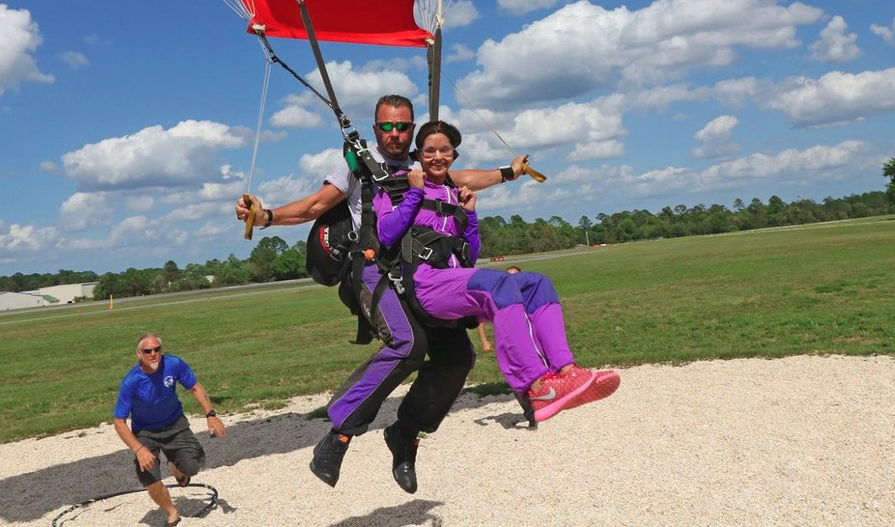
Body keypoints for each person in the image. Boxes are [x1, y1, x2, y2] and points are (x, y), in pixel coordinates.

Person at [234, 93, 527, 494]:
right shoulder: (358, 166)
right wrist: (264, 216)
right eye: (386, 126)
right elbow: (314, 206)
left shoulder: (420, 164)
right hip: (374, 273)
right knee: (408, 344)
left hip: (418, 274)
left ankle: (405, 433)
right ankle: (339, 435)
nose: (394, 133)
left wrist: (508, 173)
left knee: (457, 354)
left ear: (411, 129)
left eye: (402, 126)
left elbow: (465, 177)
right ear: (375, 129)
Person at [374, 121, 620, 424]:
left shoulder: (454, 194)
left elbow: (470, 253)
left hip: (454, 284)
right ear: (418, 154)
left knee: (536, 284)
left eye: (445, 150)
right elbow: (386, 234)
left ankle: (566, 372)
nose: (437, 156)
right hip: (424, 284)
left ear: (453, 154)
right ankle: (536, 385)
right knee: (499, 282)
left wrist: (470, 215)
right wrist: (414, 194)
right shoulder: (399, 187)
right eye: (430, 151)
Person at [113, 333, 226, 527]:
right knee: (149, 478)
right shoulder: (131, 382)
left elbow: (196, 388)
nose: (153, 354)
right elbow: (119, 422)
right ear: (139, 353)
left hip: (175, 424)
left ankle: (175, 468)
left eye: (157, 349)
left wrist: (211, 415)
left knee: (192, 467)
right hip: (145, 432)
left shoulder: (174, 364)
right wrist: (139, 449)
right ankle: (172, 512)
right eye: (148, 351)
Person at [474, 265, 521, 351]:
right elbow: (481, 320)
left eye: (516, 276)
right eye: (509, 276)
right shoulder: (497, 296)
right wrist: (484, 341)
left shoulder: (526, 293)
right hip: (506, 337)